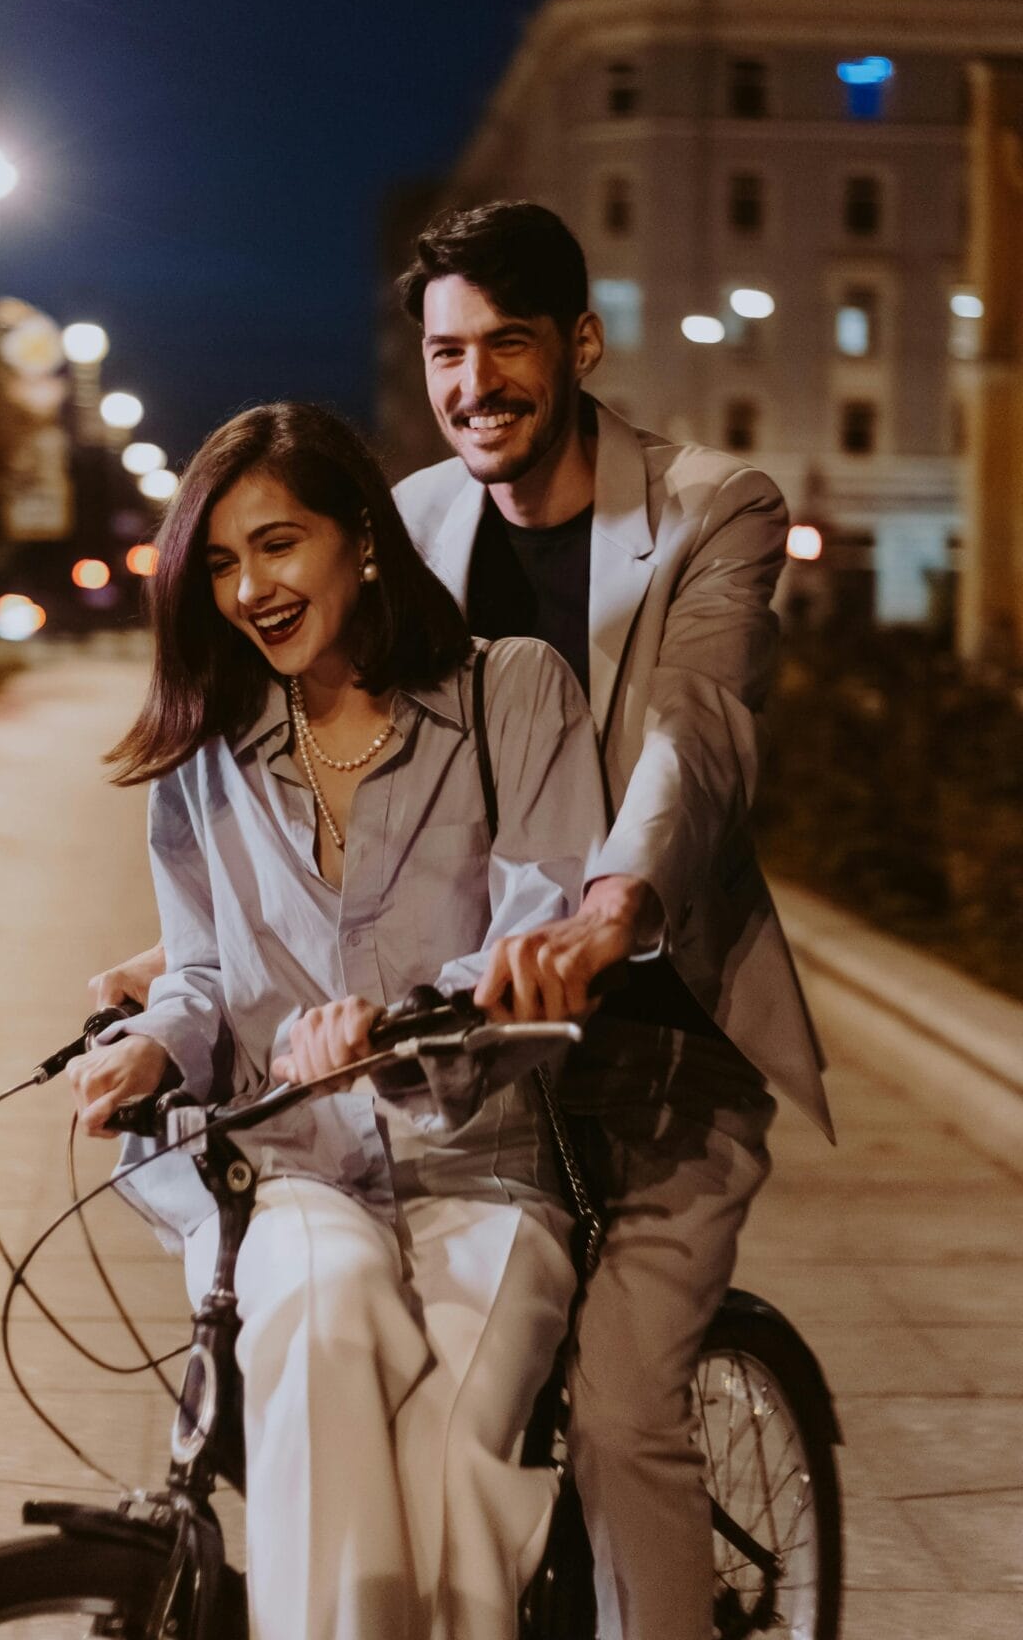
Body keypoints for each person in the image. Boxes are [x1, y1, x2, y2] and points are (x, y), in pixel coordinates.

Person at [91, 203, 834, 1640]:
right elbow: (352, 790)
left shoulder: (710, 509)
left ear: (580, 346)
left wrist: (611, 905)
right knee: (356, 1379)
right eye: (447, 350)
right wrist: (206, 969)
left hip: (650, 1042)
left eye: (507, 343)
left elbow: (699, 732)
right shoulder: (411, 520)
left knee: (620, 1421)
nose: (474, 380)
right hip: (452, 1062)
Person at [68, 400, 611, 1640]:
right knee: (313, 1323)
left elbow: (540, 933)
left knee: (446, 1478)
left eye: (276, 543)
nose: (248, 587)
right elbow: (202, 976)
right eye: (218, 561)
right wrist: (157, 1038)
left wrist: (401, 1026)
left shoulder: (511, 693)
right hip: (296, 1167)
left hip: (480, 1171)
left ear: (359, 538)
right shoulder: (206, 753)